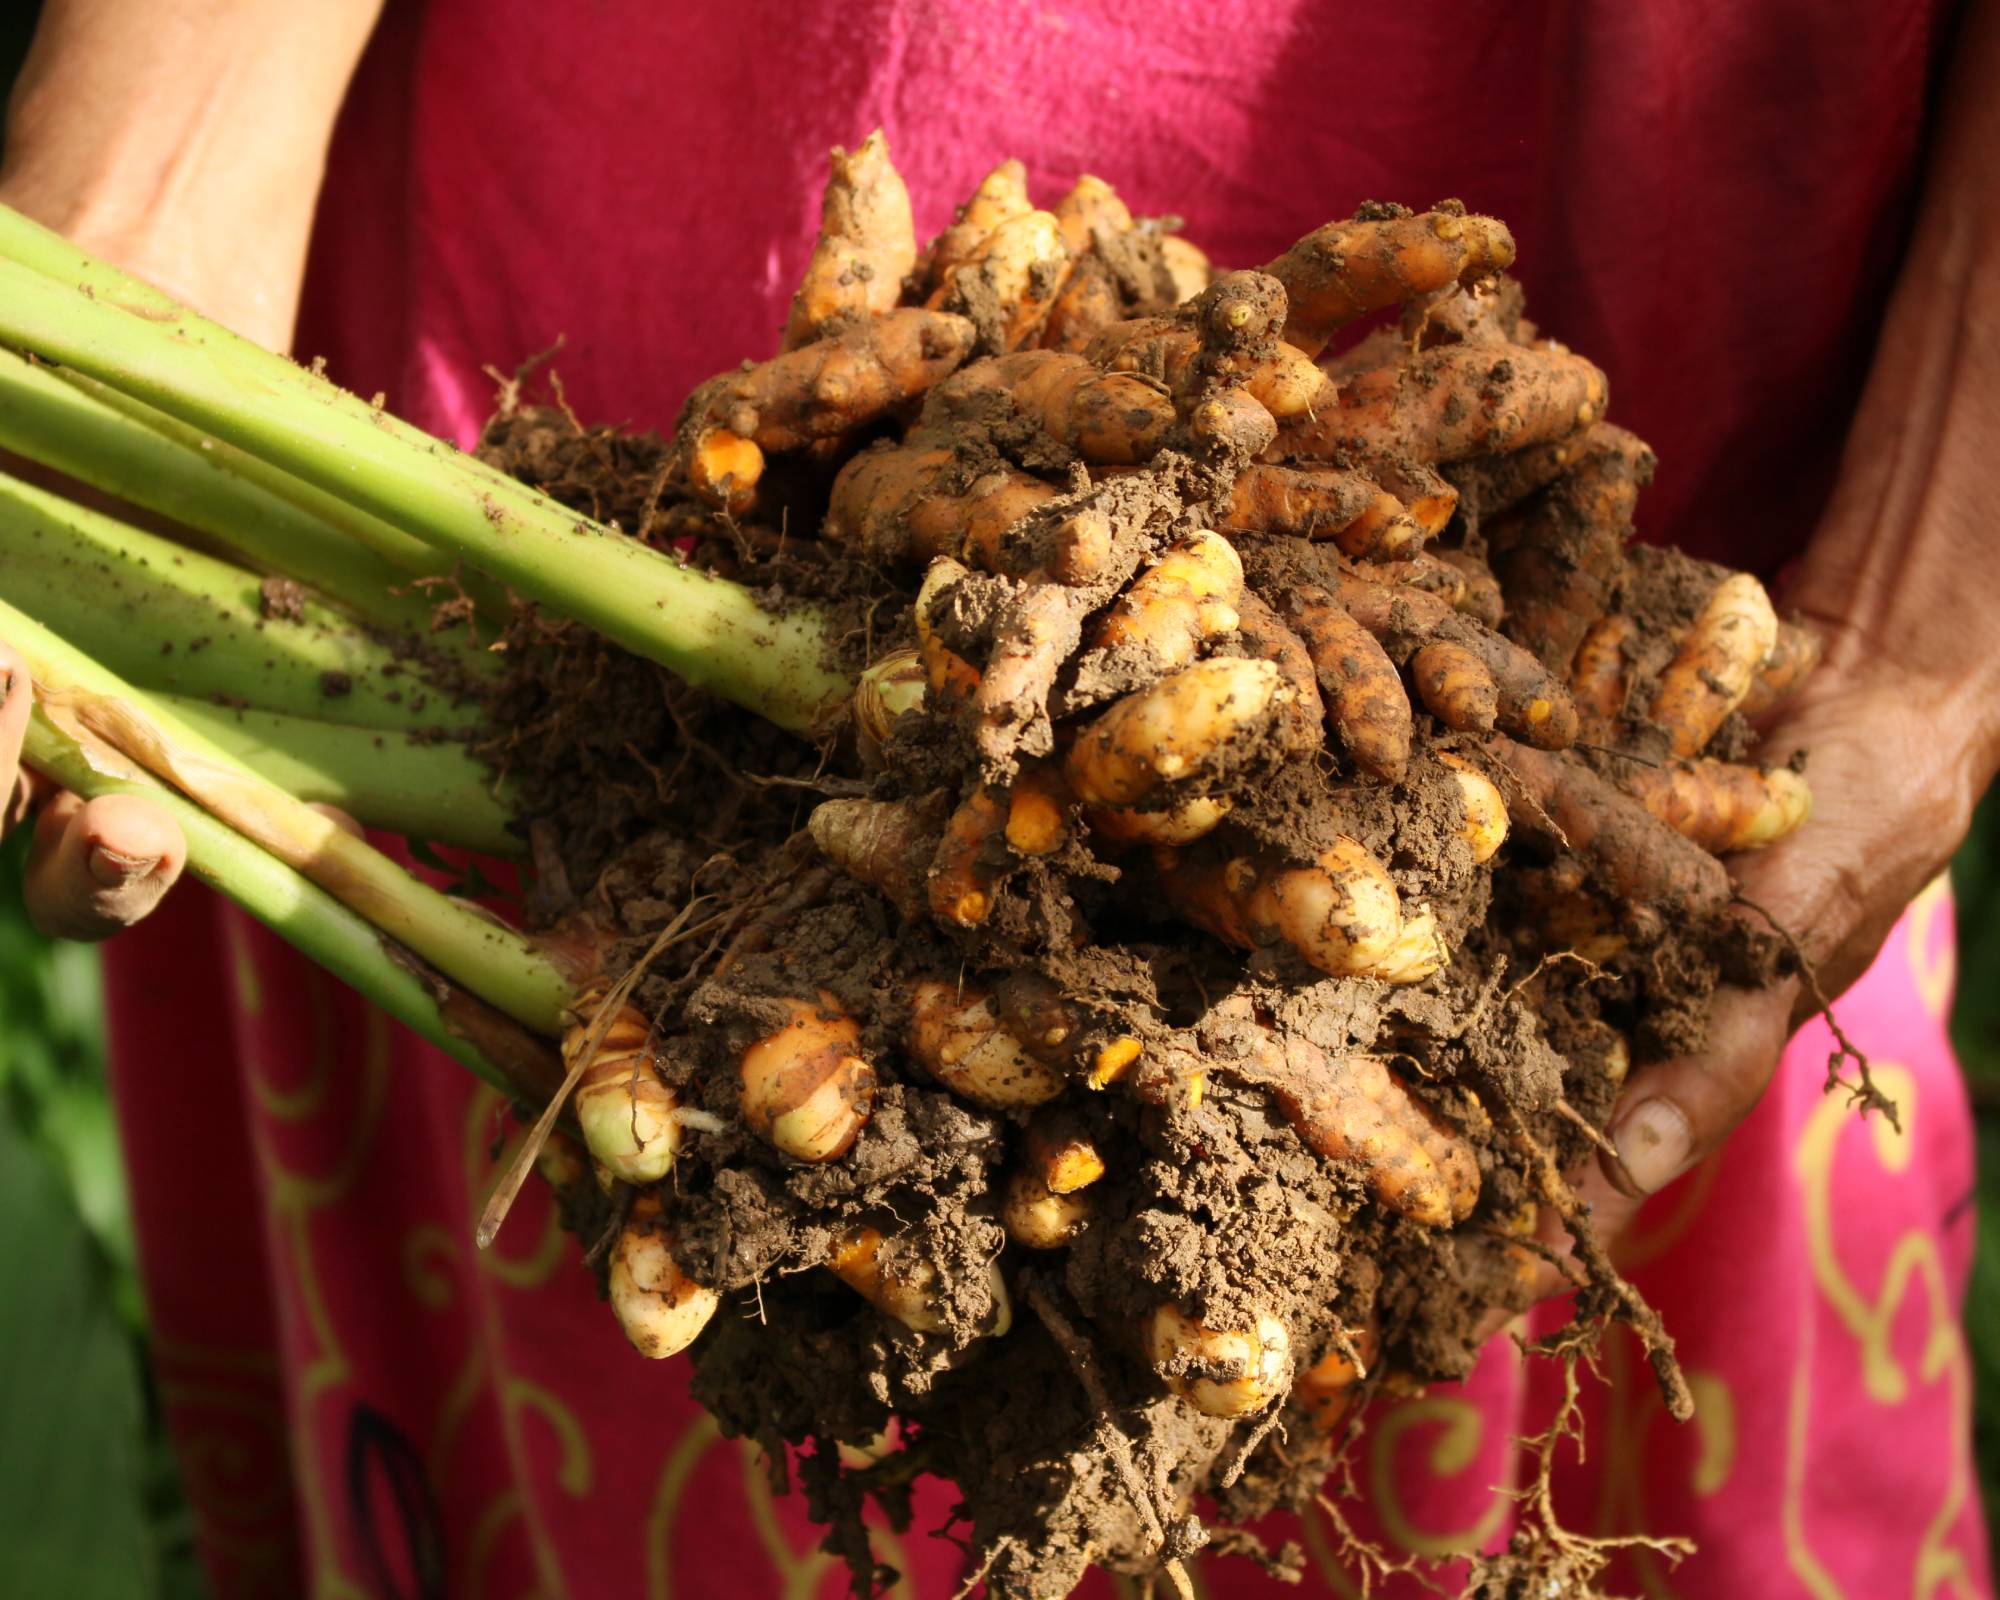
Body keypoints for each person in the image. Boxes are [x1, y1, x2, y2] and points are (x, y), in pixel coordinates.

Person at [1, 1, 1993, 1594]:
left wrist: (1938, 606)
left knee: (1564, 1183)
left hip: (1654, 576)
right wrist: (153, 200)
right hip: (500, 542)